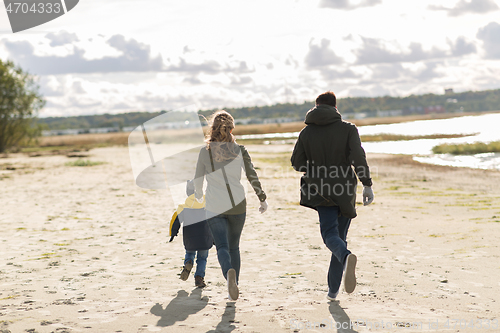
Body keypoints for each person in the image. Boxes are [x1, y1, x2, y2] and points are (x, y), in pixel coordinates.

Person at [291, 91, 374, 300]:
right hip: (345, 189)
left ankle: (342, 267)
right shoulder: (348, 129)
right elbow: (358, 157)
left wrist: (314, 167)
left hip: (319, 190)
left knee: (330, 235)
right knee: (340, 237)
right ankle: (332, 290)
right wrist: (367, 184)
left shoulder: (306, 133)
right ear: (335, 108)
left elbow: (297, 163)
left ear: (316, 107)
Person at [194, 110, 268, 301]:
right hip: (237, 205)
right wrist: (262, 198)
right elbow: (252, 175)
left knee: (222, 248)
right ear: (232, 128)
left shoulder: (205, 152)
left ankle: (229, 276)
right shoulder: (240, 150)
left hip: (214, 206)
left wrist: (198, 195)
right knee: (234, 247)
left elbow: (197, 180)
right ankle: (233, 285)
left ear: (212, 129)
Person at [169, 180, 213, 288]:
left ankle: (188, 262)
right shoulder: (208, 205)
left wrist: (173, 233)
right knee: (202, 258)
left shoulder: (183, 206)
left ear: (187, 192)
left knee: (190, 253)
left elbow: (176, 221)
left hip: (190, 238)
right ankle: (199, 278)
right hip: (205, 237)